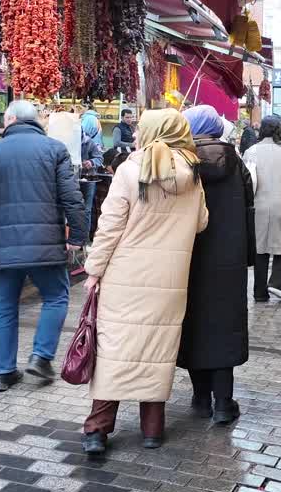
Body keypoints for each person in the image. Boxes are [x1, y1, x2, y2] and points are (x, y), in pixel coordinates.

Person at [82, 109, 208, 456]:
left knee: (115, 350)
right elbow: (201, 223)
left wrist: (94, 271)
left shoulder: (129, 169)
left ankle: (97, 430)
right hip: (170, 278)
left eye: (141, 129)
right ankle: (152, 429)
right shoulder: (193, 174)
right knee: (157, 349)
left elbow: (109, 227)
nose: (136, 134)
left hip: (125, 276)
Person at [0, 100, 88, 392]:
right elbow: (72, 197)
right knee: (56, 296)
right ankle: (41, 357)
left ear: (10, 120)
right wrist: (77, 237)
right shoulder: (54, 149)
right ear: (35, 121)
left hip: (1, 245)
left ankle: (2, 373)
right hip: (45, 244)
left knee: (2, 306)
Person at [180, 105, 252, 425]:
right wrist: (247, 255)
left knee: (194, 324)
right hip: (229, 259)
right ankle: (223, 402)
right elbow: (249, 210)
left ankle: (200, 398)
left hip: (189, 256)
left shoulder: (182, 162)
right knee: (225, 324)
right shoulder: (236, 163)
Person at [244, 116, 281, 301]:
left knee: (260, 248)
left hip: (258, 205)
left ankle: (259, 292)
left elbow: (246, 181)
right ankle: (276, 282)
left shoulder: (250, 152)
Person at [79, 112, 105, 242]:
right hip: (71, 178)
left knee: (86, 209)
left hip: (88, 179)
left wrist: (91, 162)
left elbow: (99, 158)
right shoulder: (66, 142)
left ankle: (84, 240)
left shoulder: (88, 142)